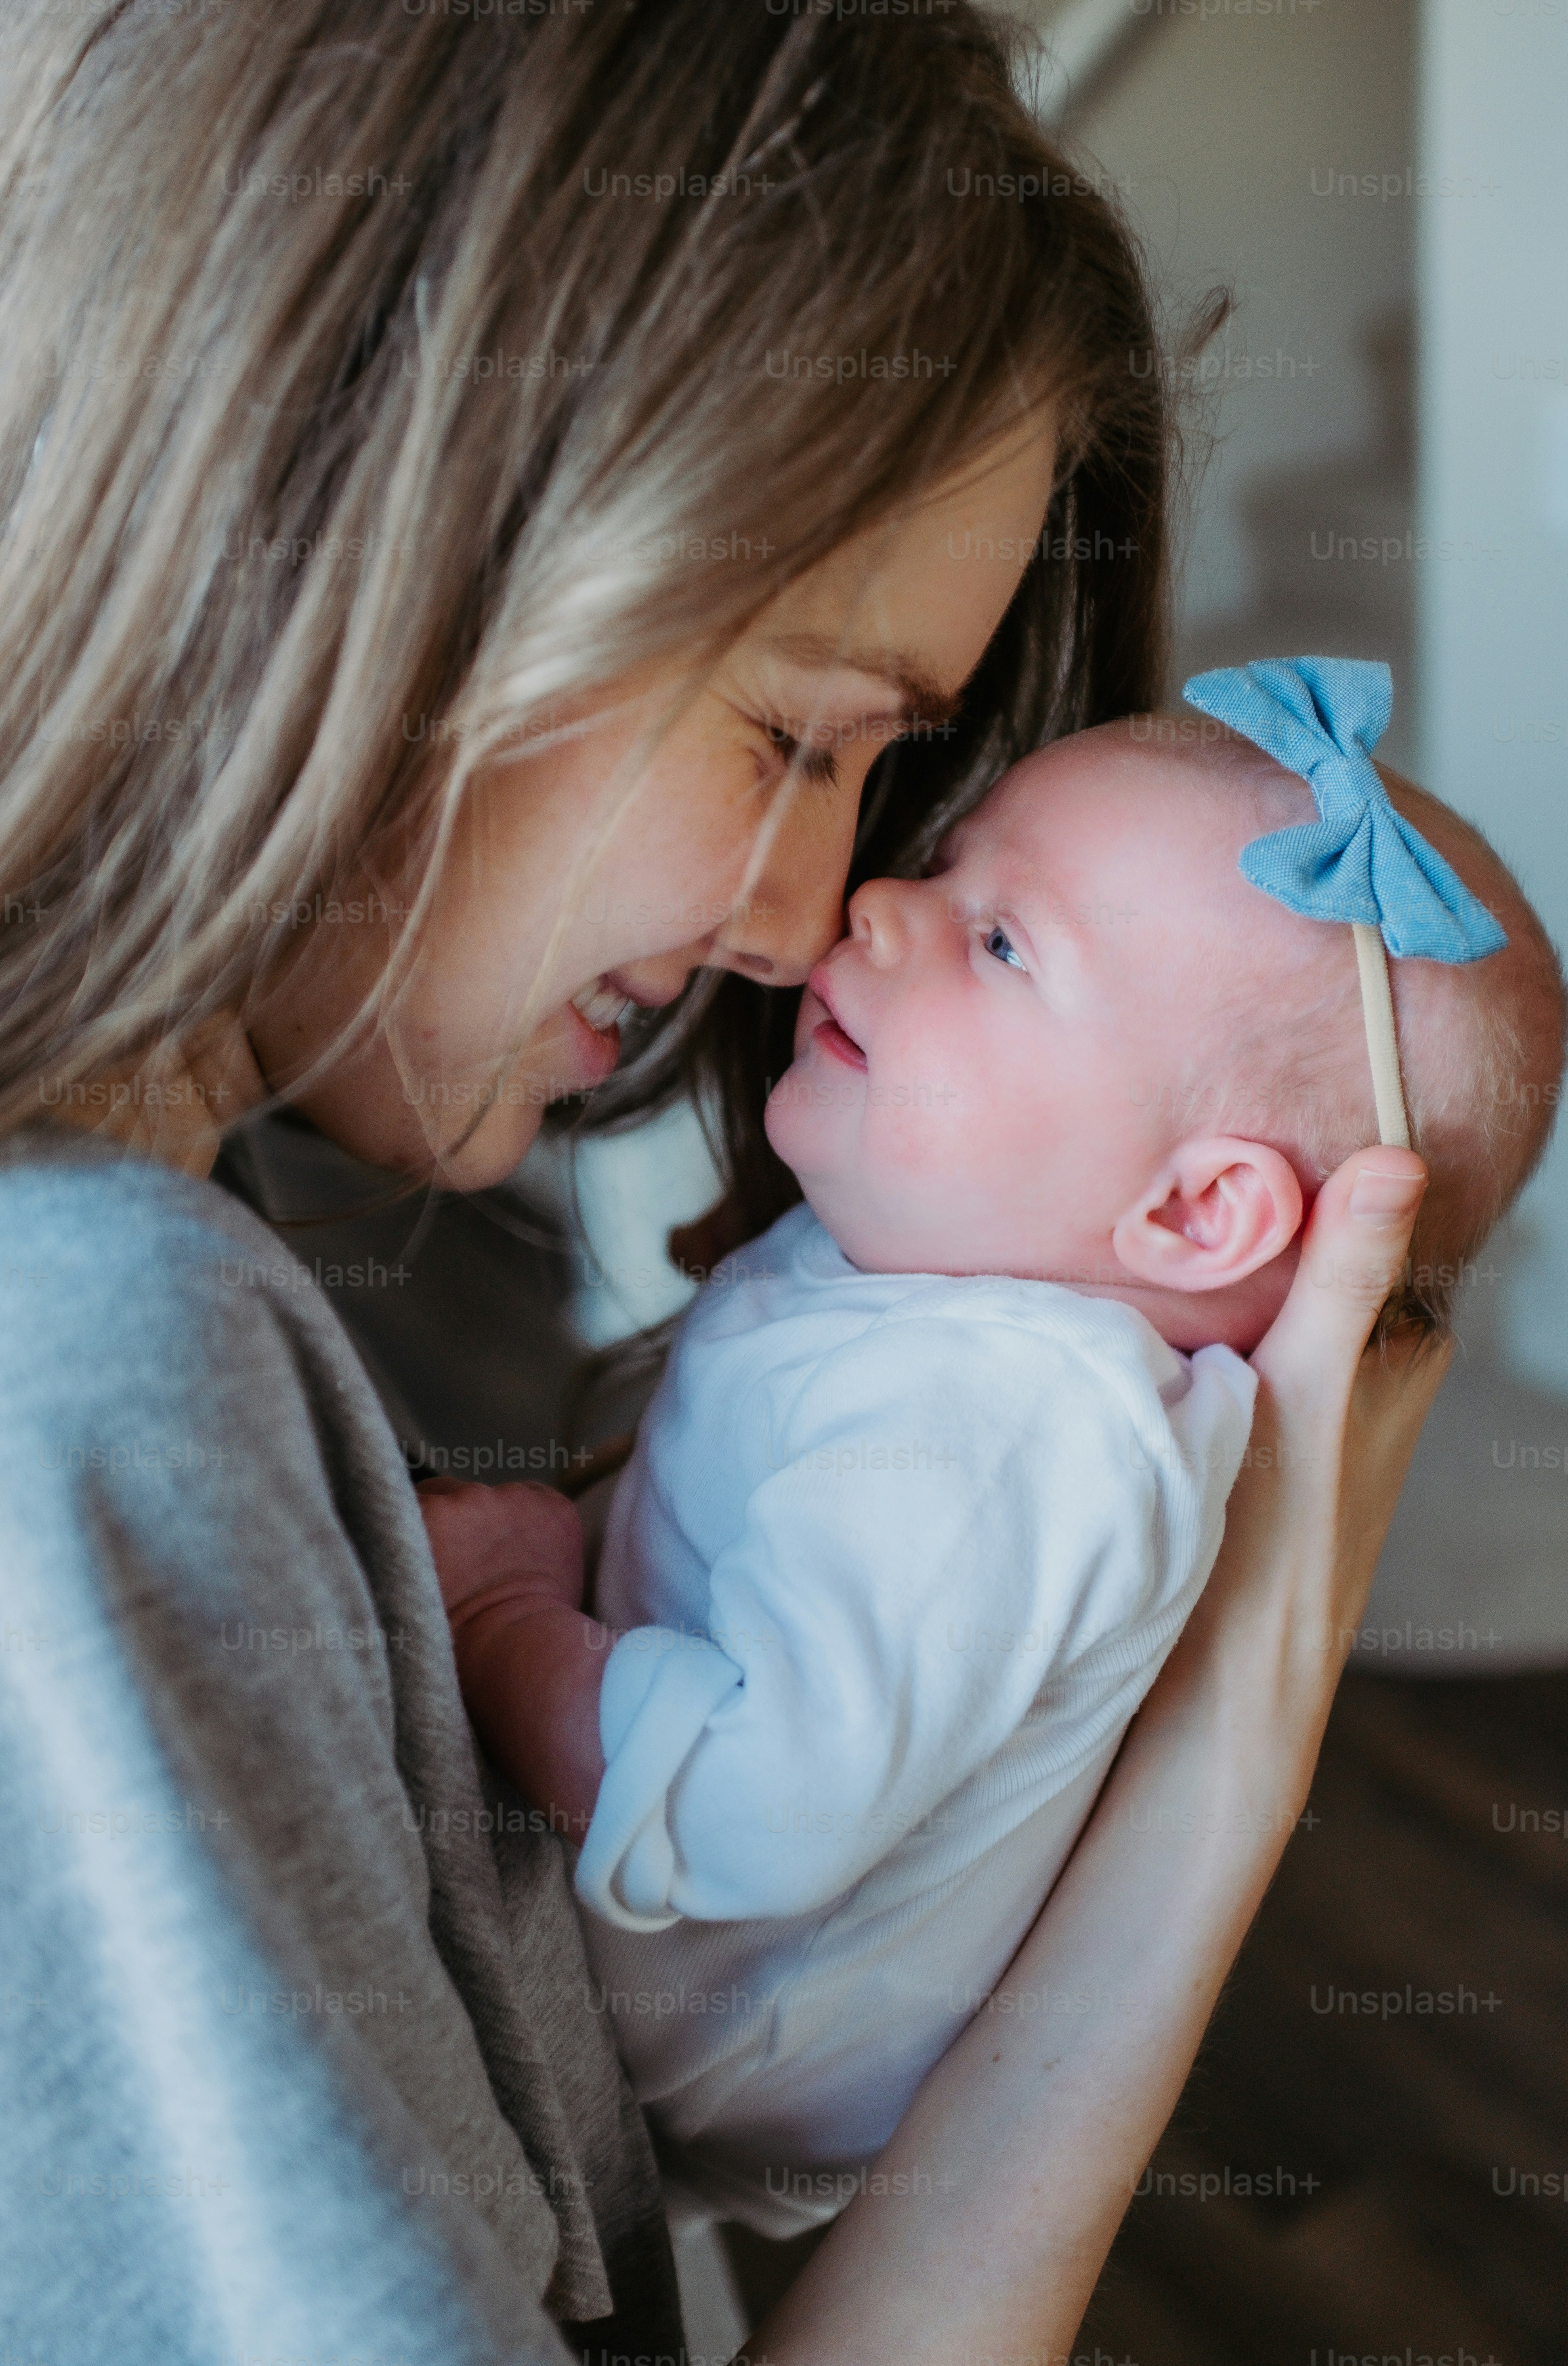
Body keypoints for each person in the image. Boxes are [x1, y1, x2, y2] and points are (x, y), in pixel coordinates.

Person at [0, 0, 1452, 2359]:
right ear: (377, 527)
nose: (798, 922)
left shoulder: (140, 1272)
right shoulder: (66, 1362)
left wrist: (1215, 1759)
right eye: (796, 733)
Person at [432, 685, 1566, 2238]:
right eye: (953, 866)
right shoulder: (975, 1305)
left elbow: (752, 1810)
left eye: (1004, 942)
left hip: (687, 2024)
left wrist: (506, 1631)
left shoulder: (1015, 1431)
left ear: (1191, 1216)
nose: (887, 901)